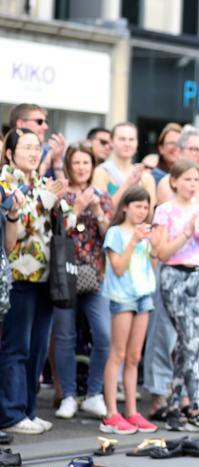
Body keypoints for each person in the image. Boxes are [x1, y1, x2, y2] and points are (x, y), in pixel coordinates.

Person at [0, 128, 74, 436]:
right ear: (10, 153)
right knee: (17, 346)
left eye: (37, 147)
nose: (34, 152)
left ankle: (29, 408)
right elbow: (18, 227)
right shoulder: (6, 182)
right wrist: (42, 202)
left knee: (38, 347)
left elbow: (68, 220)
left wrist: (59, 203)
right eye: (27, 147)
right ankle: (11, 412)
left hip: (47, 276)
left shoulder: (43, 182)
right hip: (18, 275)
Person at [151, 160, 199, 432]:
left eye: (196, 180)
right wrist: (186, 233)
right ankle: (196, 406)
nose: (193, 185)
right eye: (188, 179)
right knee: (189, 339)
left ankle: (175, 405)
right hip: (173, 276)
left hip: (198, 275)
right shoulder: (164, 211)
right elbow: (162, 252)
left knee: (188, 342)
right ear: (174, 181)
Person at [52, 143, 113, 421]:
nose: (81, 168)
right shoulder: (60, 194)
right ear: (68, 165)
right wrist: (76, 206)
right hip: (64, 272)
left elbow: (109, 234)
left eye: (85, 163)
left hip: (95, 273)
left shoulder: (101, 194)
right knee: (65, 337)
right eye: (76, 162)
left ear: (92, 166)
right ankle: (67, 396)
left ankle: (93, 393)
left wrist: (97, 210)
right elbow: (58, 230)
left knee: (103, 335)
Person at [100, 186, 158, 435]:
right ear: (125, 207)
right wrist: (134, 240)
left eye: (146, 207)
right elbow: (118, 268)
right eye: (138, 206)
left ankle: (132, 411)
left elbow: (152, 264)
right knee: (118, 353)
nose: (142, 211)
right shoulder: (115, 233)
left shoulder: (146, 233)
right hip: (122, 297)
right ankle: (111, 413)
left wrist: (150, 244)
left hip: (143, 296)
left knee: (135, 356)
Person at [92, 122, 157, 208]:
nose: (127, 144)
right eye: (122, 139)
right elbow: (104, 210)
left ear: (137, 142)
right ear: (111, 142)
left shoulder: (146, 177)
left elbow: (150, 213)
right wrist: (128, 184)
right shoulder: (100, 172)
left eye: (131, 139)